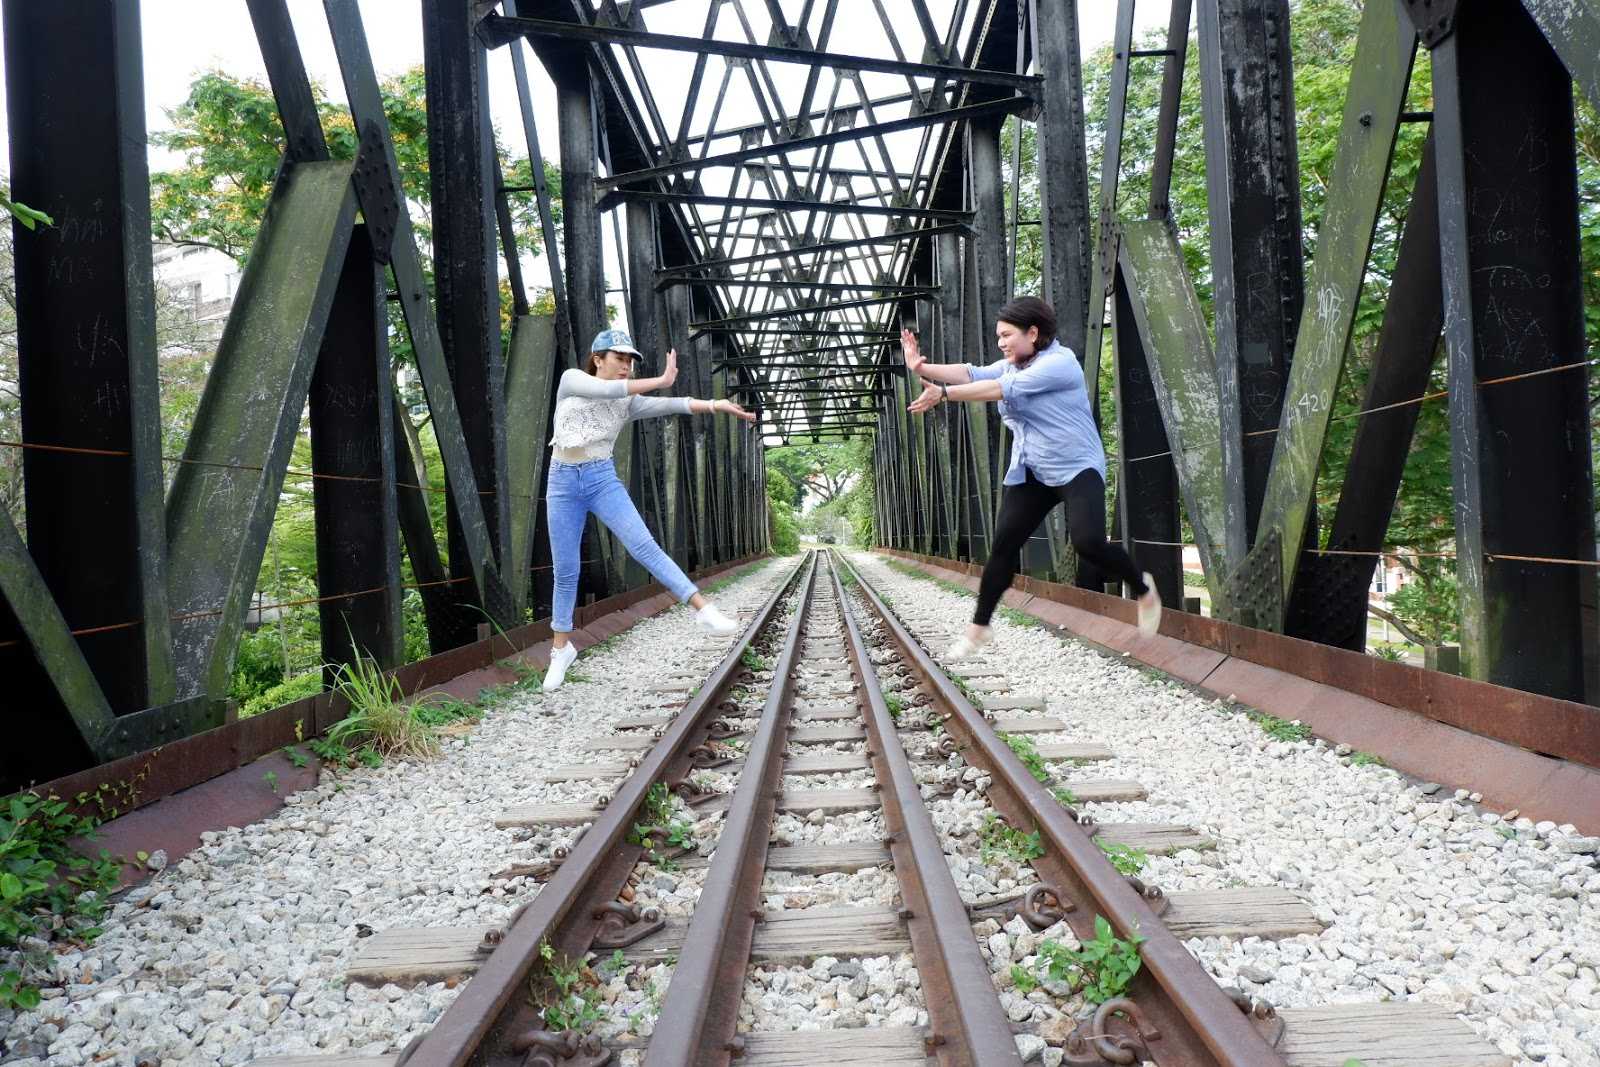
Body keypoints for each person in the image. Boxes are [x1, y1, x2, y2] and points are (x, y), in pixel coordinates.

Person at [903, 296, 1161, 659]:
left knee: (1088, 542)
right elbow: (973, 373)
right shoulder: (1012, 365)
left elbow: (998, 390)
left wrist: (943, 395)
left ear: (1034, 333)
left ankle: (1144, 589)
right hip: (1032, 470)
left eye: (1007, 335)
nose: (1001, 343)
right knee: (1003, 548)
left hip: (1076, 467)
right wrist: (921, 368)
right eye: (998, 337)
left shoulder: (1060, 363)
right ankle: (978, 630)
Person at [543, 328, 757, 691]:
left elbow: (674, 404)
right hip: (561, 481)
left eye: (630, 360)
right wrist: (661, 379)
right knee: (566, 570)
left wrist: (715, 405)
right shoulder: (573, 380)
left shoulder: (628, 401)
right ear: (598, 359)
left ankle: (703, 609)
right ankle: (560, 651)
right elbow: (608, 390)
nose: (626, 366)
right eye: (619, 358)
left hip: (600, 478)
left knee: (644, 547)